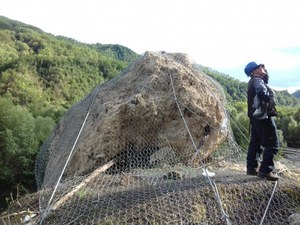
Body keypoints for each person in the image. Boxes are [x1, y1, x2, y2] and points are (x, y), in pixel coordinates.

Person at [244, 61, 279, 181]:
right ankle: (265, 171)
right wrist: (268, 99)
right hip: (263, 117)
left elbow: (265, 81)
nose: (262, 67)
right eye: (259, 67)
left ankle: (251, 168)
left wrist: (264, 71)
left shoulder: (253, 81)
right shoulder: (258, 81)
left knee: (256, 142)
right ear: (254, 71)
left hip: (255, 117)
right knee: (272, 144)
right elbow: (262, 90)